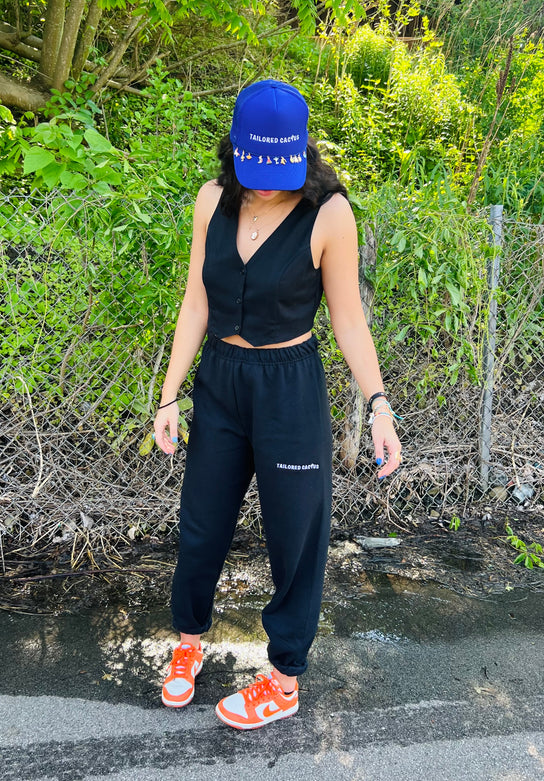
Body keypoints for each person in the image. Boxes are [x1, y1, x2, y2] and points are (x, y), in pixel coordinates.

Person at [153, 79, 402, 730]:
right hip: (222, 380)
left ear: (303, 152)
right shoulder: (213, 201)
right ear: (235, 150)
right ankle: (188, 640)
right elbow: (196, 302)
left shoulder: (330, 215)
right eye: (255, 169)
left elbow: (349, 319)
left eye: (280, 170)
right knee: (201, 524)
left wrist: (378, 404)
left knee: (296, 536)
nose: (266, 185)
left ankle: (284, 677)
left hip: (289, 387)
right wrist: (169, 394)